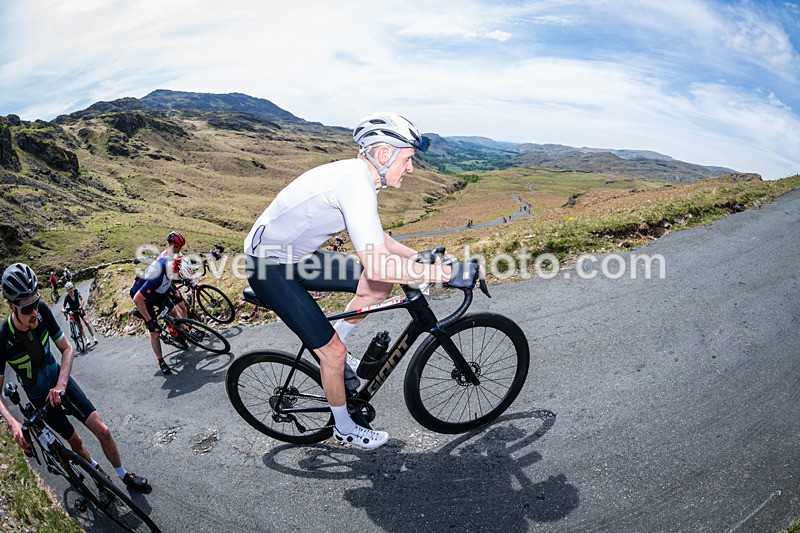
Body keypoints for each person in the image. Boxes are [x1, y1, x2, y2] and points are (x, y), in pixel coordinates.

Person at [244, 112, 481, 449]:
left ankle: (340, 349)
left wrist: (415, 258)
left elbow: (377, 238)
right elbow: (379, 262)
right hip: (269, 267)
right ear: (384, 154)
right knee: (333, 353)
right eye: (408, 158)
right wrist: (445, 274)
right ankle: (344, 427)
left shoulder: (362, 178)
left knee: (377, 285)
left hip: (295, 255)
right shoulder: (355, 182)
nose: (411, 168)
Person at [0, 263, 150, 491]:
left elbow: (67, 349)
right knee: (76, 441)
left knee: (103, 430)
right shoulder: (3, 337)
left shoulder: (42, 311)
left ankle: (124, 475)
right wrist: (13, 424)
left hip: (60, 382)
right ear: (11, 306)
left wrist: (60, 384)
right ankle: (95, 471)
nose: (34, 313)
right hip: (40, 397)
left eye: (35, 304)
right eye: (26, 309)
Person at [130, 232, 187, 375]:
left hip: (159, 293)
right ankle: (161, 360)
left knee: (176, 313)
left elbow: (171, 282)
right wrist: (150, 321)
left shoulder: (170, 265)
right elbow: (138, 299)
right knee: (154, 332)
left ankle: (180, 332)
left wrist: (174, 290)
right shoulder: (158, 274)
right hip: (144, 298)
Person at [61, 282, 98, 346]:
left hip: (79, 308)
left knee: (86, 322)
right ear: (67, 291)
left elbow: (82, 299)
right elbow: (63, 307)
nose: (71, 291)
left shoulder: (76, 291)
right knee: (80, 326)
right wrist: (64, 311)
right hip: (73, 311)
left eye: (71, 288)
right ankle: (86, 339)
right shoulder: (67, 297)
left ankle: (94, 337)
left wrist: (81, 306)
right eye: (69, 290)